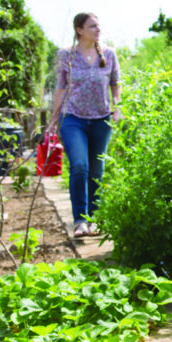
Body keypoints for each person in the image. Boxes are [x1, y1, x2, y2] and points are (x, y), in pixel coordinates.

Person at [47, 12, 122, 238]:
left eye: (98, 26)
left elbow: (115, 85)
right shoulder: (66, 55)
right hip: (73, 118)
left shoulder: (109, 54)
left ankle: (94, 219)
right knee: (80, 166)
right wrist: (53, 120)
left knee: (96, 171)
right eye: (92, 26)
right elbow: (60, 88)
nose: (97, 30)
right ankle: (80, 219)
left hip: (101, 120)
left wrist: (117, 108)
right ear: (79, 30)